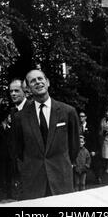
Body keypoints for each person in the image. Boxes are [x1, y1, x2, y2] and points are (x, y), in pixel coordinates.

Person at [13, 68, 80, 200]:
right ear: (28, 89)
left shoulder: (68, 112)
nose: (38, 82)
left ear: (47, 82)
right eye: (33, 81)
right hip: (34, 182)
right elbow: (18, 150)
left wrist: (62, 163)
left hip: (61, 179)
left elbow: (74, 146)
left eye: (40, 79)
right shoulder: (20, 118)